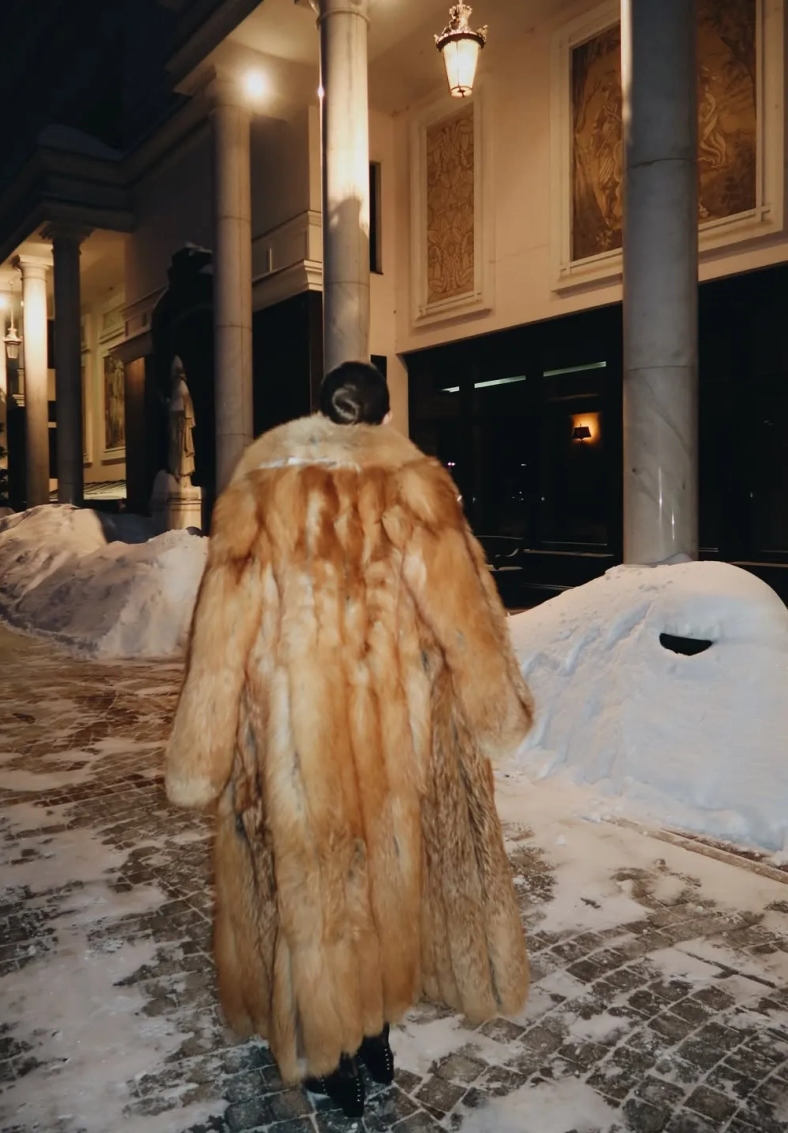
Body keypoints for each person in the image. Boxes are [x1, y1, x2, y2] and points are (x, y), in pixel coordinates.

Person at [164, 360, 534, 1118]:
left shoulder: (258, 489)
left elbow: (220, 633)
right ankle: (366, 1039)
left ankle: (331, 1044)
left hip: (290, 735)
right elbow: (463, 614)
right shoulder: (413, 485)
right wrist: (496, 711)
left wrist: (202, 749)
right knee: (380, 875)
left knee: (313, 889)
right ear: (384, 415)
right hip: (390, 731)